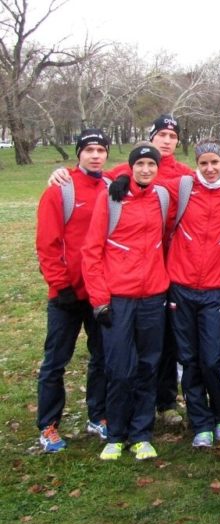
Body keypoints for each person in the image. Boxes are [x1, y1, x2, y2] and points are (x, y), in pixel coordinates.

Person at [81, 143, 170, 461]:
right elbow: (91, 250)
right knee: (120, 368)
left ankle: (142, 434)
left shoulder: (162, 196)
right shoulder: (112, 197)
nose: (146, 169)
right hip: (118, 298)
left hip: (153, 296)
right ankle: (116, 434)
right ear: (130, 167)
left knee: (148, 365)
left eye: (151, 164)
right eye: (140, 164)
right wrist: (99, 300)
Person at [35, 128, 112, 452]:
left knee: (102, 356)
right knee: (56, 360)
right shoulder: (61, 188)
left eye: (101, 149)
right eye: (89, 149)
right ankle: (49, 424)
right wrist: (59, 284)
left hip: (99, 291)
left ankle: (98, 415)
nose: (95, 155)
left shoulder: (111, 186)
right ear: (79, 153)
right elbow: (47, 243)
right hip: (66, 293)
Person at [164, 140, 220, 448]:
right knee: (189, 359)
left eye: (215, 163)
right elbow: (144, 176)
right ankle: (200, 423)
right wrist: (120, 178)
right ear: (197, 164)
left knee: (212, 359)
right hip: (181, 287)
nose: (210, 169)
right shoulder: (181, 188)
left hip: (214, 290)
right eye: (204, 163)